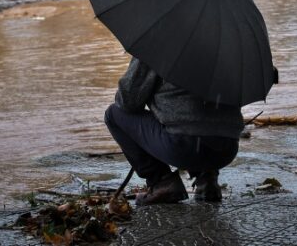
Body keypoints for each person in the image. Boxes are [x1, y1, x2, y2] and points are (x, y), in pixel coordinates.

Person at [104, 57, 244, 205]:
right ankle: (206, 179)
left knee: (113, 114)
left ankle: (162, 182)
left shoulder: (159, 42)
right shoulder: (225, 47)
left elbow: (127, 101)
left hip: (186, 147)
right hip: (226, 149)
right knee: (201, 117)